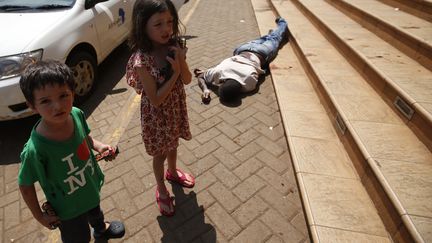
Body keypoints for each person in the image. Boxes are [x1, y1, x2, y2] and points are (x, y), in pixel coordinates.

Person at [17, 60, 125, 243]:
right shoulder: (36, 149)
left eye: (63, 95)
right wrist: (40, 216)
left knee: (95, 210)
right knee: (78, 238)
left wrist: (99, 146)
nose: (58, 106)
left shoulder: (75, 114)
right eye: (45, 101)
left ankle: (100, 229)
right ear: (32, 105)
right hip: (67, 208)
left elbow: (86, 138)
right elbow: (25, 185)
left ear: (73, 93)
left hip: (88, 187)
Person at [126, 0, 195, 217]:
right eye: (158, 24)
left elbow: (187, 79)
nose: (166, 29)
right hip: (156, 116)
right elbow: (155, 99)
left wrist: (180, 62)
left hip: (174, 108)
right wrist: (174, 72)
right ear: (142, 26)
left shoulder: (174, 47)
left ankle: (172, 172)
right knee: (160, 153)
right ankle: (161, 188)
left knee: (173, 143)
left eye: (170, 22)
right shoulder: (142, 60)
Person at [195, 17, 289, 103]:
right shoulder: (219, 71)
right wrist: (206, 84)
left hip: (261, 53)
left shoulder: (248, 83)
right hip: (242, 49)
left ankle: (282, 23)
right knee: (264, 39)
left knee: (275, 39)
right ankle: (270, 33)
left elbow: (201, 76)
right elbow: (201, 76)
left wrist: (205, 89)